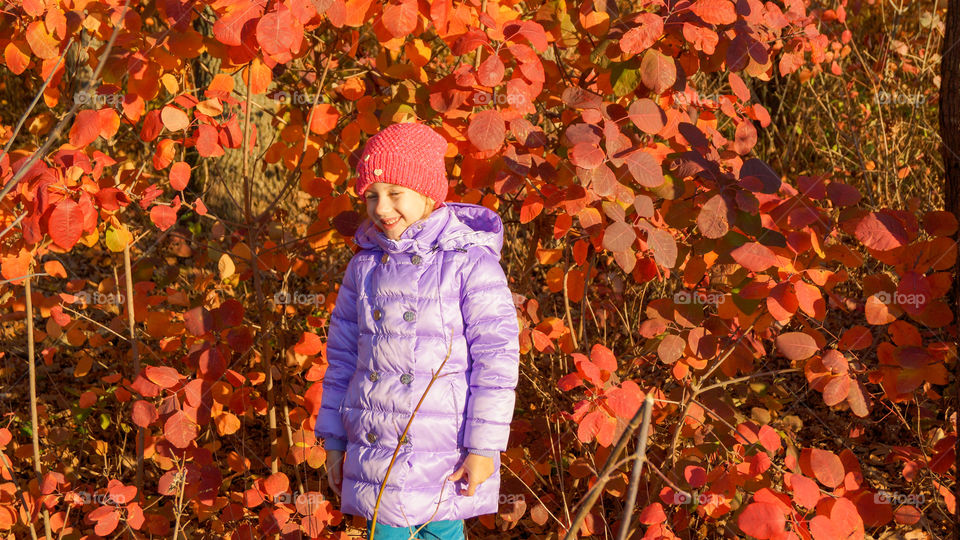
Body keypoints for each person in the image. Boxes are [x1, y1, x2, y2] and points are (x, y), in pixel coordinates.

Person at [314, 121, 520, 539]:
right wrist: (334, 442)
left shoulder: (469, 263)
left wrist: (485, 447)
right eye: (371, 196)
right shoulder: (365, 267)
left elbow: (496, 363)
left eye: (395, 193)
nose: (381, 207)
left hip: (446, 454)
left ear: (428, 193)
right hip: (378, 454)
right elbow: (341, 362)